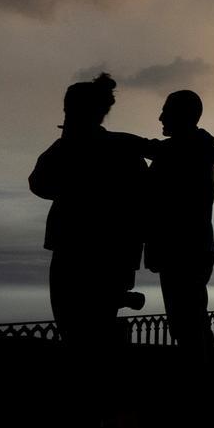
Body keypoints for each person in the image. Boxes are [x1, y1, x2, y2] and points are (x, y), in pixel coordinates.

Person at [29, 74, 148, 348]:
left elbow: (39, 183)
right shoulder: (125, 148)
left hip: (76, 253)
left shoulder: (69, 148)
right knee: (94, 335)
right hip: (111, 256)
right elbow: (141, 208)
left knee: (77, 335)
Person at [144, 90, 214, 351]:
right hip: (193, 249)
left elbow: (147, 147)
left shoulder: (182, 151)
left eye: (166, 111)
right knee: (191, 323)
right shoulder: (196, 149)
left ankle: (202, 382)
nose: (160, 117)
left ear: (182, 116)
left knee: (189, 326)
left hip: (183, 251)